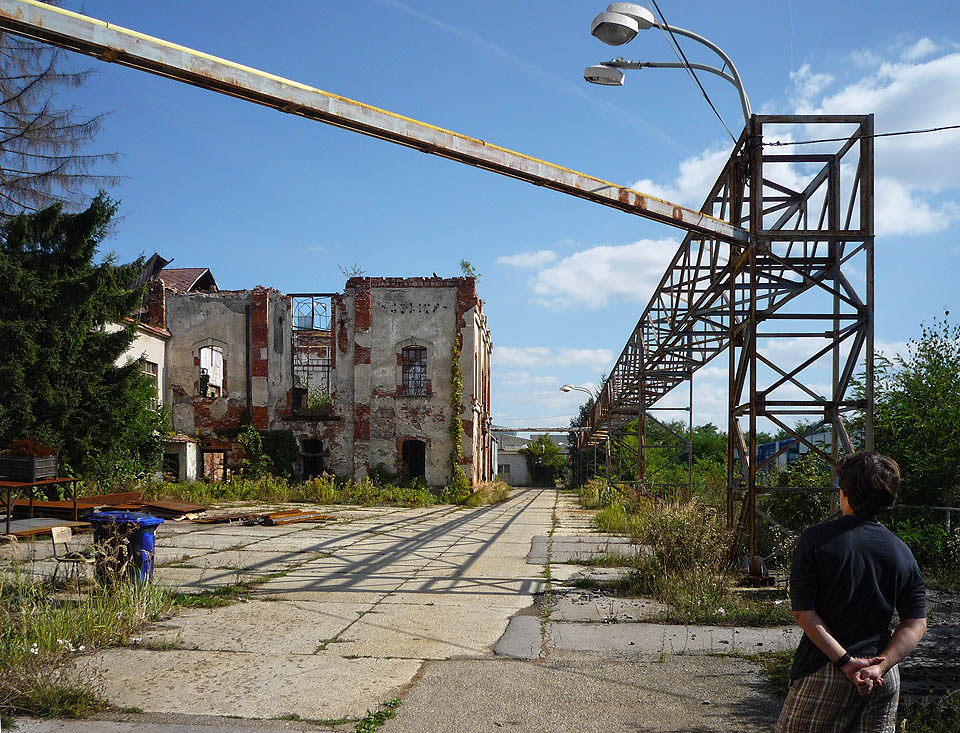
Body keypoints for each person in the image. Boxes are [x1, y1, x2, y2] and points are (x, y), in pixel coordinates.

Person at [776, 451, 927, 732]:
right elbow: (915, 622)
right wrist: (880, 667)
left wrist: (846, 662)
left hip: (826, 671)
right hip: (881, 678)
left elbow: (803, 612)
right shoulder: (900, 550)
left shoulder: (816, 540)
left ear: (844, 491)